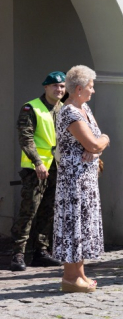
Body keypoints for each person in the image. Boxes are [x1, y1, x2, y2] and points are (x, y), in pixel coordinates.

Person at [53, 65, 110, 293]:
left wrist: (96, 148)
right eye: (90, 87)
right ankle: (69, 277)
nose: (93, 91)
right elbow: (95, 142)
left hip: (86, 179)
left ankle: (80, 274)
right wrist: (102, 141)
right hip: (72, 182)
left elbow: (94, 144)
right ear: (78, 89)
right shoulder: (69, 112)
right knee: (72, 226)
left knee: (83, 226)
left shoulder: (84, 107)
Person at [9, 72, 66, 271]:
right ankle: (18, 253)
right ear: (46, 87)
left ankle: (41, 252)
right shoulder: (31, 107)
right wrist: (37, 162)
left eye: (62, 87)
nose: (59, 90)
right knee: (29, 210)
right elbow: (26, 138)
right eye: (55, 86)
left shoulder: (65, 109)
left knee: (49, 211)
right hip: (36, 168)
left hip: (57, 167)